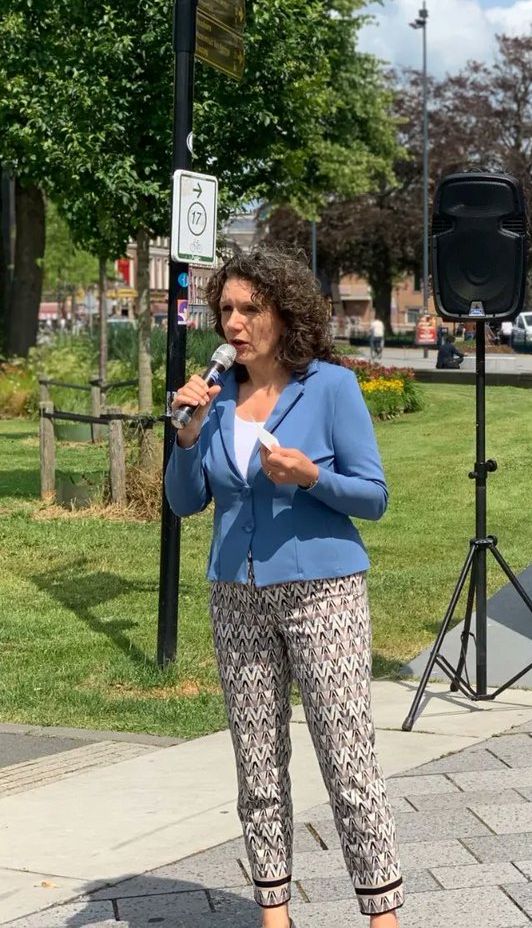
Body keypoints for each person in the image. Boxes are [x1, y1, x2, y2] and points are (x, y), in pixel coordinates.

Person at [165, 247, 403, 928]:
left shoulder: (330, 388)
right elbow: (186, 504)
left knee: (347, 757)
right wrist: (185, 437)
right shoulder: (213, 399)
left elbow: (375, 498)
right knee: (257, 762)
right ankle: (275, 911)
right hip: (235, 594)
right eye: (226, 311)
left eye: (250, 309)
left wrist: (312, 478)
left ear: (285, 314)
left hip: (322, 592)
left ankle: (381, 914)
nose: (234, 324)